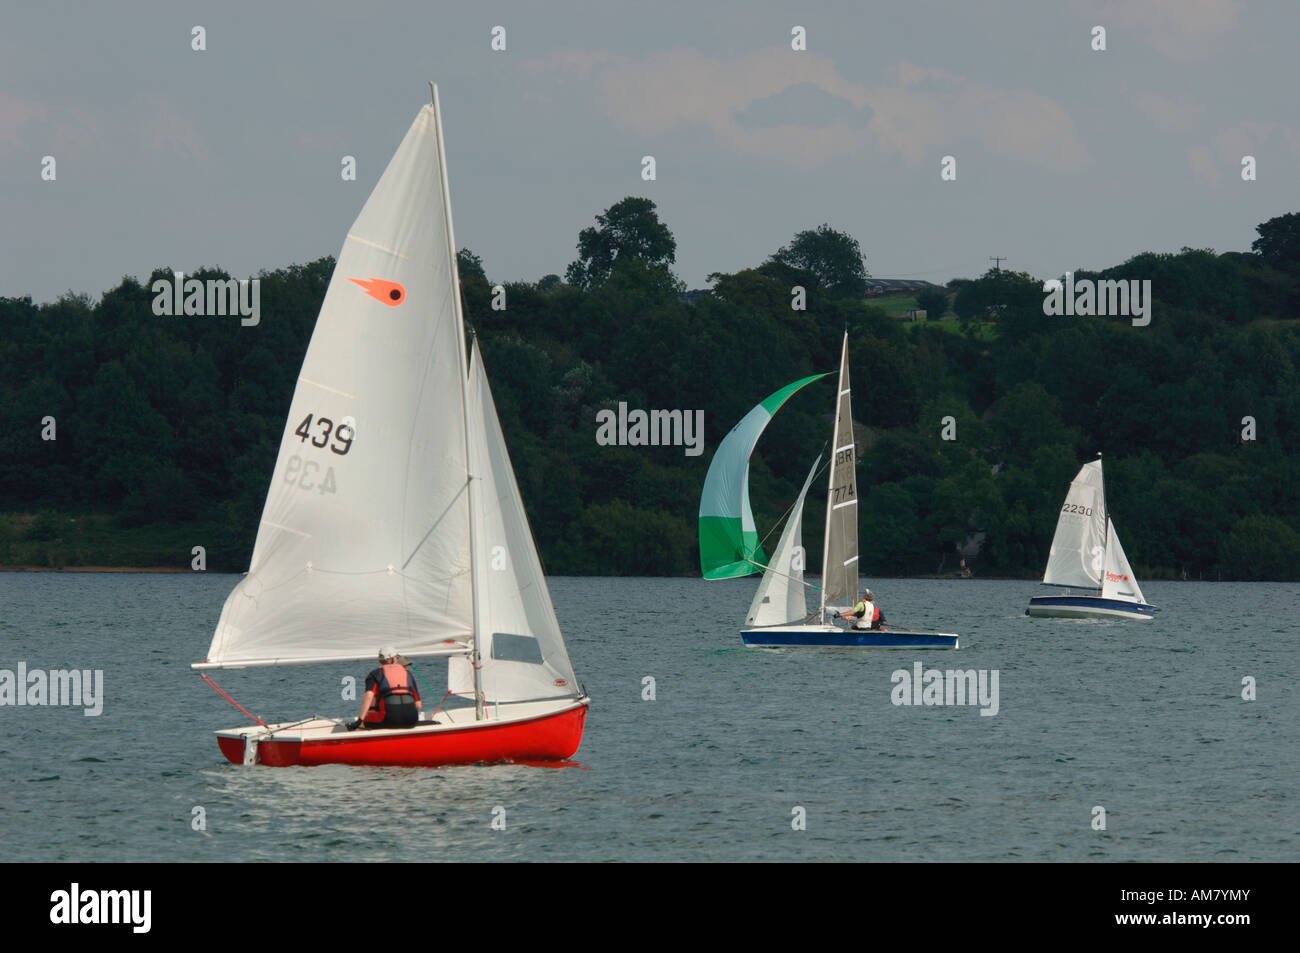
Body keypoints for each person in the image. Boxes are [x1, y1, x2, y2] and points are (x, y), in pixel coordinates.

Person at [349, 646, 421, 729]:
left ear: (380, 661)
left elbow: (368, 696)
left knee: (365, 719)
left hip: (389, 720)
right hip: (412, 720)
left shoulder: (375, 674)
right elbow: (418, 705)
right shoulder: (408, 673)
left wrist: (360, 720)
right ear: (394, 659)